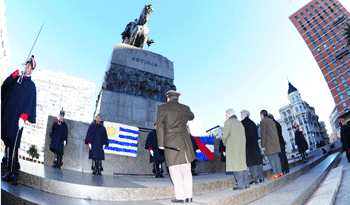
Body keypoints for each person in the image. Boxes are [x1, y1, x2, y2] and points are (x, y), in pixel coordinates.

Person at [1, 55, 37, 185]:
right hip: (9, 116)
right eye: (26, 66)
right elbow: (4, 87)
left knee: (14, 145)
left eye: (29, 67)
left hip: (18, 119)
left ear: (32, 70)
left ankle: (14, 174)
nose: (27, 68)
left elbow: (30, 103)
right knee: (8, 144)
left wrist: (24, 117)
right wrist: (15, 74)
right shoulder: (16, 80)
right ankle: (8, 172)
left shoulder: (31, 86)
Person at [156, 90, 196, 203]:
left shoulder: (162, 108)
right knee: (186, 170)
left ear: (168, 98)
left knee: (175, 170)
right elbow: (192, 116)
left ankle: (180, 197)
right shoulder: (185, 108)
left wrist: (161, 143)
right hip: (185, 142)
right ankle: (189, 196)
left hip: (171, 141)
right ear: (177, 99)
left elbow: (159, 126)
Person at [222, 109, 249, 190]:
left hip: (232, 147)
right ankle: (246, 183)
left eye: (226, 114)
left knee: (235, 166)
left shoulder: (228, 122)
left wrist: (225, 143)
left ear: (229, 114)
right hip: (241, 147)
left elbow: (224, 137)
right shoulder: (240, 123)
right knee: (243, 165)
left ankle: (240, 185)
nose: (225, 116)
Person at [241, 110, 264, 184]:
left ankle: (256, 178)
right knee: (258, 161)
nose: (241, 116)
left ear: (244, 115)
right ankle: (261, 177)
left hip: (248, 145)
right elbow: (257, 135)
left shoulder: (242, 124)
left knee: (251, 162)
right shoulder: (253, 123)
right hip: (255, 145)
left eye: (241, 115)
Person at [260, 110, 283, 180]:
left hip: (269, 143)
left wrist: (263, 145)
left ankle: (275, 174)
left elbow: (263, 134)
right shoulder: (271, 121)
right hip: (275, 142)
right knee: (276, 157)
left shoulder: (263, 121)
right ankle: (280, 172)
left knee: (271, 158)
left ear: (262, 115)